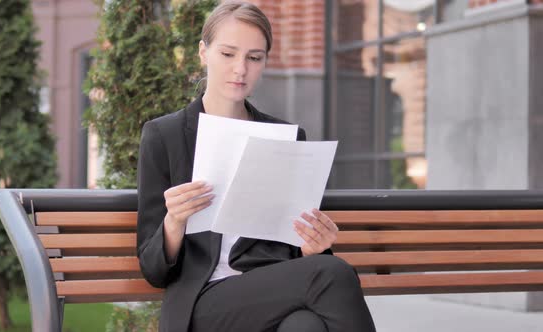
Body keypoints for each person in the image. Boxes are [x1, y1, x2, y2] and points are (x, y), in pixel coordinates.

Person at [137, 1, 376, 331]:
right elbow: (153, 271)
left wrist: (313, 248)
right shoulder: (164, 136)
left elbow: (293, 253)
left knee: (304, 326)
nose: (240, 69)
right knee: (331, 273)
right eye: (228, 54)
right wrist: (174, 222)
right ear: (203, 52)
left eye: (254, 57)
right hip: (203, 303)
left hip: (273, 291)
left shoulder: (286, 138)